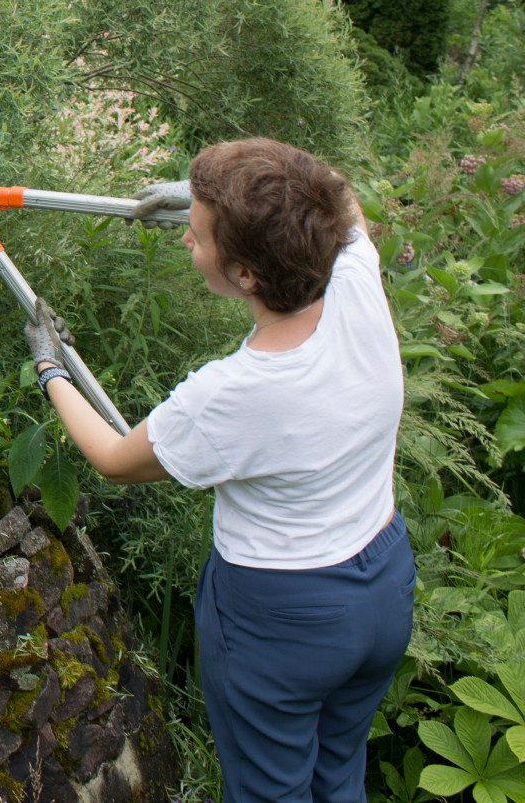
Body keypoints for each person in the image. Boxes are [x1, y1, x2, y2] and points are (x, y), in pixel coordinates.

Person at [22, 137, 414, 803]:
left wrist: (49, 367)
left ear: (246, 275)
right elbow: (333, 189)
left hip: (283, 620)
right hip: (382, 588)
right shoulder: (355, 284)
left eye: (199, 237)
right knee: (339, 771)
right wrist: (213, 196)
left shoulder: (234, 393)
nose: (186, 240)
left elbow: (115, 459)